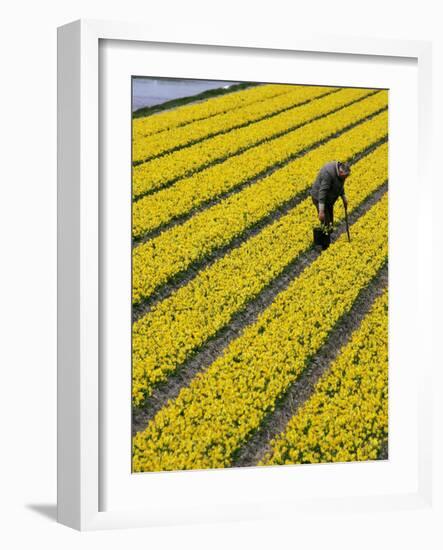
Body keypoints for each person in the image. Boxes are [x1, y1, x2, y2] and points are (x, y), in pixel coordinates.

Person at [311, 160, 351, 227]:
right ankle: (324, 236)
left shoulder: (341, 173)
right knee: (326, 222)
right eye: (345, 176)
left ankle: (328, 234)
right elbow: (322, 192)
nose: (345, 178)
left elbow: (339, 183)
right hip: (319, 198)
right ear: (341, 172)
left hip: (329, 199)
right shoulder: (328, 173)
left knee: (330, 222)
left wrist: (343, 197)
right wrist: (321, 211)